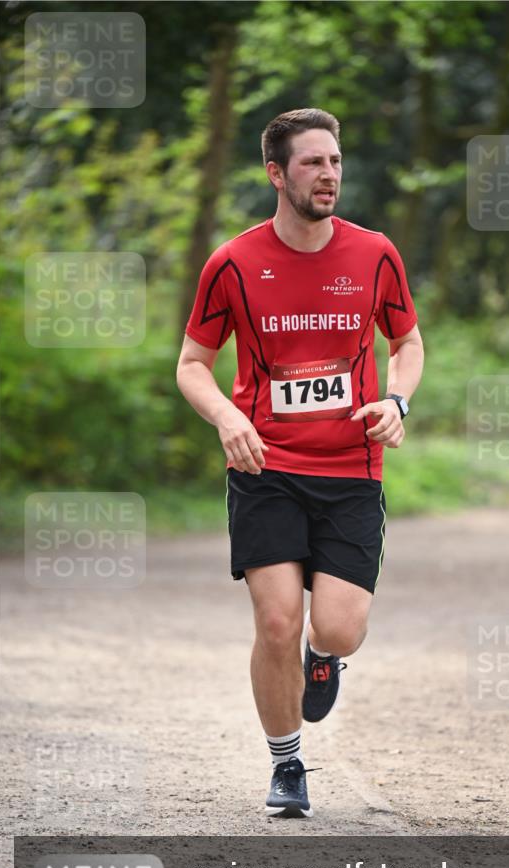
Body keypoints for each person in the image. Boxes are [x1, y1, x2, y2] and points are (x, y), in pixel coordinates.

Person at [177, 108, 424, 817]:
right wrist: (227, 416)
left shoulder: (375, 254)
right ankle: (287, 765)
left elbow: (407, 343)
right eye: (313, 162)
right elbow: (192, 364)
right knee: (277, 622)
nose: (328, 174)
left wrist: (398, 402)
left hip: (351, 470)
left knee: (338, 629)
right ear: (276, 174)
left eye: (335, 161)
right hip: (266, 468)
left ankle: (324, 658)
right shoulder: (232, 264)